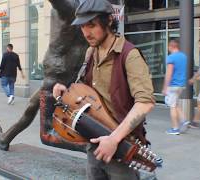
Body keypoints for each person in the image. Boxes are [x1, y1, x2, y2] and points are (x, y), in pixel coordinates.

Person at [53, 0, 155, 179]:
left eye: (91, 25)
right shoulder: (91, 52)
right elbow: (86, 91)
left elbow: (145, 103)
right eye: (83, 26)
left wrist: (114, 139)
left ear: (109, 20)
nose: (86, 33)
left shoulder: (129, 55)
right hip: (93, 141)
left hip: (121, 147)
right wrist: (66, 92)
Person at [162, 39, 189, 135]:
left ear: (171, 46)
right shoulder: (184, 57)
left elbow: (168, 74)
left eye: (169, 47)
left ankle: (175, 128)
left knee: (172, 106)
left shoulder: (171, 57)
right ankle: (184, 120)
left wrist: (165, 87)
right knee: (175, 104)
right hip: (181, 85)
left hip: (172, 86)